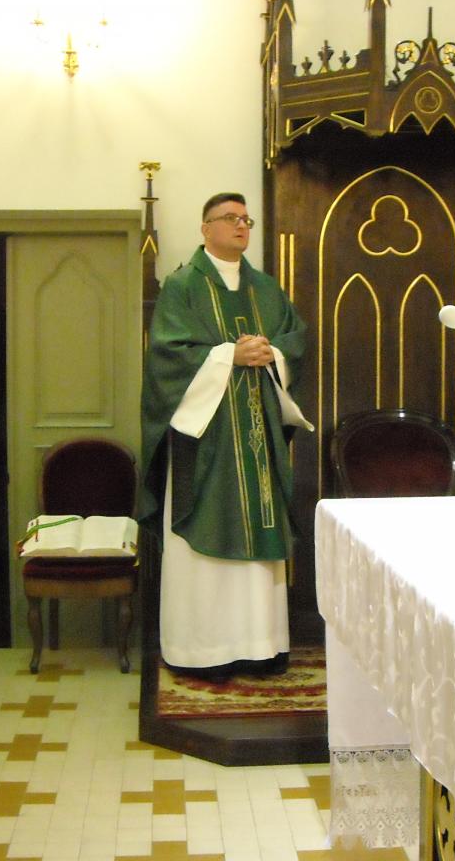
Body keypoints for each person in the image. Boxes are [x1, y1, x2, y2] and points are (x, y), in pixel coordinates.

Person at [139, 192, 312, 680]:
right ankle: (203, 650)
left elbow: (295, 339)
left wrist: (273, 354)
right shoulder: (183, 286)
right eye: (230, 218)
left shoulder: (266, 288)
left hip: (257, 437)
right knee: (204, 543)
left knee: (260, 537)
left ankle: (261, 646)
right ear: (206, 228)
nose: (241, 226)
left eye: (246, 219)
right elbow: (167, 356)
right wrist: (226, 356)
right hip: (205, 441)